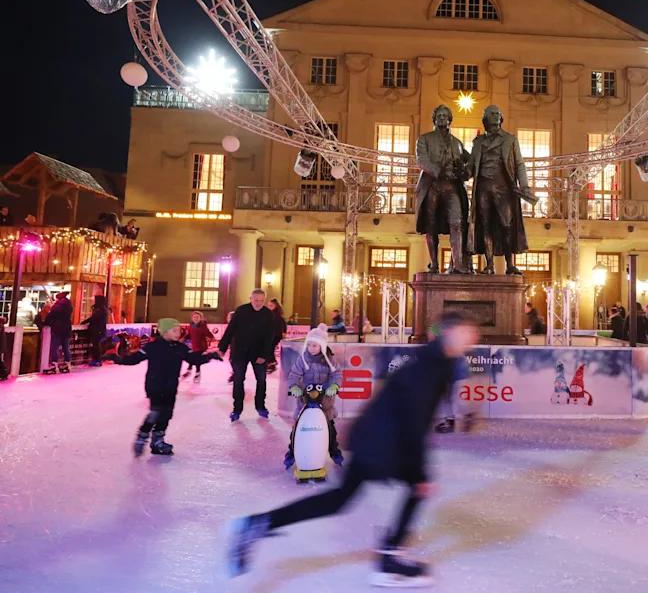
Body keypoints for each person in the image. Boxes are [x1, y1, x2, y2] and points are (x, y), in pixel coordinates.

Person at [225, 312, 480, 586]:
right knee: (412, 488)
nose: (473, 338)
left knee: (341, 499)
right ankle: (389, 557)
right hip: (383, 441)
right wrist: (419, 472)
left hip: (378, 437)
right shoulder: (430, 366)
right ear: (449, 333)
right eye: (466, 332)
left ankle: (259, 523)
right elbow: (413, 420)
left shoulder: (438, 361)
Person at [110, 318, 221, 456]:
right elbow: (134, 359)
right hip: (155, 385)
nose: (178, 333)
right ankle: (142, 436)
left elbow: (194, 359)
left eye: (179, 330)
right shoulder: (152, 347)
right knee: (156, 412)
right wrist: (116, 358)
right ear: (164, 332)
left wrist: (211, 356)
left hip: (171, 386)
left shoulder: (181, 348)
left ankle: (158, 441)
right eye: (174, 330)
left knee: (167, 414)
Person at [467, 105, 533, 275]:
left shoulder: (510, 140)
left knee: (507, 225)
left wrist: (524, 186)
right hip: (483, 188)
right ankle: (489, 265)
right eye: (492, 114)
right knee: (486, 226)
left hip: (504, 189)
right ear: (485, 119)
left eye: (498, 114)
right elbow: (471, 167)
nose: (496, 116)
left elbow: (519, 164)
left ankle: (510, 264)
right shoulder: (478, 142)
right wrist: (462, 171)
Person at [415, 105, 471, 274]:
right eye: (438, 115)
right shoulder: (424, 139)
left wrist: (466, 171)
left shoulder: (457, 143)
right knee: (431, 225)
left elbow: (469, 162)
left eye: (445, 116)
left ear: (449, 119)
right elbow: (422, 161)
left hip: (452, 187)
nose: (442, 118)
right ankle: (434, 264)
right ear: (434, 119)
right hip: (432, 186)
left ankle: (458, 264)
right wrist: (439, 171)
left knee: (457, 223)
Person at [283, 324, 343, 470]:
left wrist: (334, 386)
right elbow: (294, 375)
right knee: (297, 429)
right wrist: (294, 387)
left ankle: (334, 452)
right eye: (309, 345)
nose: (311, 348)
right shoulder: (303, 359)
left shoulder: (329, 359)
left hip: (325, 402)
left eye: (314, 345)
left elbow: (336, 374)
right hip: (305, 401)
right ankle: (291, 453)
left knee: (330, 429)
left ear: (322, 345)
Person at [219, 289, 277, 422]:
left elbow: (270, 337)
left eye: (261, 300)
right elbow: (230, 329)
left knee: (261, 380)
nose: (258, 303)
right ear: (250, 299)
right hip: (240, 351)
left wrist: (264, 355)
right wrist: (222, 347)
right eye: (256, 300)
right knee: (238, 379)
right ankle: (237, 409)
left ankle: (260, 406)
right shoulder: (241, 311)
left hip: (259, 353)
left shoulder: (268, 314)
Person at [44, 292, 73, 373]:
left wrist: (46, 323)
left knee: (54, 347)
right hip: (66, 329)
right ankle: (68, 364)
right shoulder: (69, 306)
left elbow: (50, 316)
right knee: (66, 347)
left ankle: (54, 365)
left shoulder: (56, 307)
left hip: (57, 329)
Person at [182, 311, 214, 383]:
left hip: (201, 347)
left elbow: (208, 334)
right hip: (194, 346)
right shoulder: (191, 325)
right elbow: (189, 335)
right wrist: (183, 338)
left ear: (200, 318)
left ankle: (196, 373)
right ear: (192, 318)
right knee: (193, 358)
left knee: (197, 360)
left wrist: (211, 337)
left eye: (197, 317)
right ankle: (190, 371)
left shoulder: (203, 326)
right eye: (194, 317)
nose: (195, 318)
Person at [81, 295, 109, 367]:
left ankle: (97, 360)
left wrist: (84, 322)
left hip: (98, 330)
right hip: (97, 330)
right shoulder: (100, 309)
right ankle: (96, 359)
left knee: (96, 345)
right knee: (95, 345)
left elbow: (94, 318)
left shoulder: (101, 310)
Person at [267, 299, 288, 373]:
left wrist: (284, 333)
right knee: (269, 348)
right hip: (271, 334)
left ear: (275, 306)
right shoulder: (268, 314)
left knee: (270, 348)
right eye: (268, 305)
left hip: (276, 335)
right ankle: (271, 363)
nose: (269, 307)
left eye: (271, 305)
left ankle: (272, 363)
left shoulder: (277, 315)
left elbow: (283, 324)